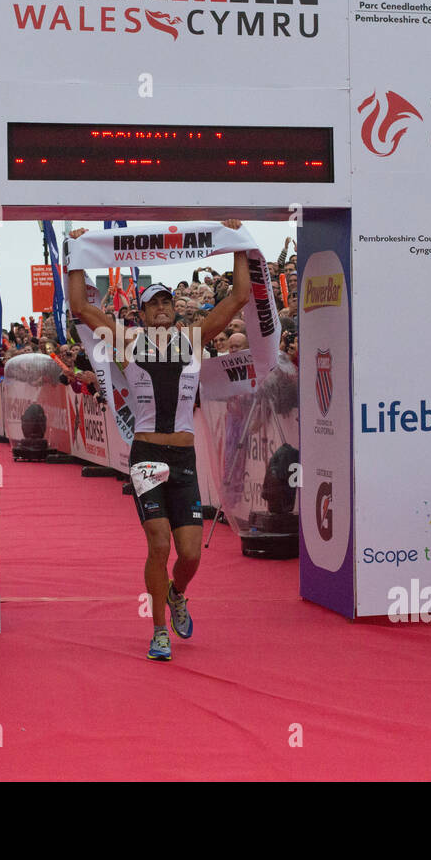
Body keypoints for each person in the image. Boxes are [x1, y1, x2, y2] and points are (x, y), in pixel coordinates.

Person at [66, 220, 251, 662]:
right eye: (155, 304)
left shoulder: (194, 339)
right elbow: (78, 307)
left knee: (189, 554)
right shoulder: (127, 342)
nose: (163, 308)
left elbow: (240, 296)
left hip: (183, 457)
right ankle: (159, 631)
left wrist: (239, 242)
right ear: (143, 315)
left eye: (168, 301)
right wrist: (75, 254)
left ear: (177, 309)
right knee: (159, 543)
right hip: (148, 455)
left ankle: (177, 592)